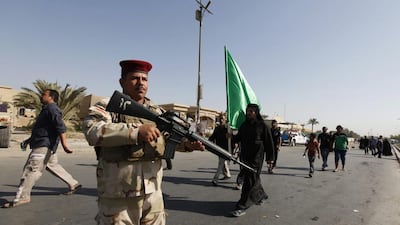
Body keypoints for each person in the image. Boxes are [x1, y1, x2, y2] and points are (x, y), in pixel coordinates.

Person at [82, 59, 204, 225]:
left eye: (144, 79)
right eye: (134, 78)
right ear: (122, 81)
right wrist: (136, 131)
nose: (140, 83)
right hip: (118, 196)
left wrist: (186, 145)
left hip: (153, 194)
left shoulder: (157, 111)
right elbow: (92, 131)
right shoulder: (107, 105)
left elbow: (167, 138)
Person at [2, 89, 81, 208]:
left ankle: (23, 197)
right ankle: (73, 183)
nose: (41, 96)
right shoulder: (46, 109)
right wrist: (28, 140)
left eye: (44, 94)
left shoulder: (52, 109)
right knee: (52, 165)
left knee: (30, 170)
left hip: (43, 146)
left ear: (51, 97)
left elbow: (61, 127)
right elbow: (42, 130)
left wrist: (65, 145)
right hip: (44, 144)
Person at [230, 103, 274, 217]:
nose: (249, 113)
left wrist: (270, 158)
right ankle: (260, 196)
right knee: (254, 178)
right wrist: (231, 136)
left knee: (249, 180)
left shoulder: (262, 126)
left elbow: (269, 142)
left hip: (257, 158)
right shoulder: (244, 125)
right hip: (245, 157)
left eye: (251, 111)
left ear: (256, 113)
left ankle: (242, 206)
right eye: (248, 111)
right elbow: (238, 138)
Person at [209, 113, 231, 186]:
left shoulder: (228, 128)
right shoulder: (217, 128)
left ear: (225, 120)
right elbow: (212, 137)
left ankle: (215, 179)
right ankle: (227, 174)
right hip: (218, 148)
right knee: (222, 162)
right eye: (220, 118)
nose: (221, 120)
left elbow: (232, 139)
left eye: (223, 119)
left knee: (220, 163)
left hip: (225, 149)